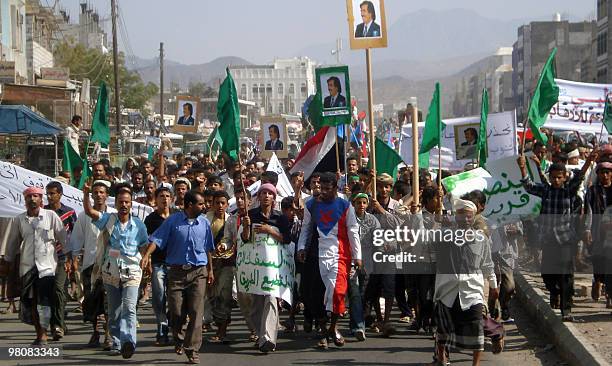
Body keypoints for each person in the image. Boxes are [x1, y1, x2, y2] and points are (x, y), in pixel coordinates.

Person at [517, 148, 597, 321]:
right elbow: (528, 186)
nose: (556, 180)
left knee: (566, 275)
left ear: (564, 177)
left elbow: (580, 177)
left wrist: (589, 161)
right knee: (547, 273)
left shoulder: (569, 191)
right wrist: (523, 168)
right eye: (553, 177)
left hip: (565, 239)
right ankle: (555, 292)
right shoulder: (545, 190)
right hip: (548, 239)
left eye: (559, 177)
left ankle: (566, 310)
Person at [141, 191, 215, 364]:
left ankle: (193, 349)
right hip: (176, 273)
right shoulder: (172, 222)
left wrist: (210, 271)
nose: (204, 206)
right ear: (189, 205)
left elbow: (208, 249)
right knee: (176, 312)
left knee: (196, 313)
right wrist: (147, 256)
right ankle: (178, 336)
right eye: (200, 203)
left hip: (198, 272)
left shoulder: (204, 223)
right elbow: (157, 240)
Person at [83, 183, 149, 359]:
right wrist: (86, 194)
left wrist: (146, 260)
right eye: (121, 202)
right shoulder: (108, 219)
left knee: (129, 307)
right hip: (111, 271)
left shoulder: (138, 225)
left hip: (132, 272)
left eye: (127, 202)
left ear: (131, 204)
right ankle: (117, 341)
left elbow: (143, 246)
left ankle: (129, 342)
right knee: (114, 312)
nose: (124, 205)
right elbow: (90, 212)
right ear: (116, 203)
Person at [297, 173, 361, 349]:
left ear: (335, 188)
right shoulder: (311, 205)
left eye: (327, 189)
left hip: (340, 256)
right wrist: (301, 247)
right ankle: (324, 331)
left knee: (338, 292)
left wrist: (358, 256)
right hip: (316, 256)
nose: (322, 192)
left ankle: (332, 328)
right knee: (317, 296)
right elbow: (306, 228)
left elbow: (353, 231)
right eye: (320, 188)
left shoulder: (345, 206)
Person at [431, 198, 498, 366]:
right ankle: (441, 359)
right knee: (442, 330)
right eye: (462, 215)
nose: (466, 219)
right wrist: (436, 220)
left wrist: (493, 285)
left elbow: (487, 263)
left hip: (472, 291)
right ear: (456, 216)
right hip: (447, 290)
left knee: (477, 329)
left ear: (474, 217)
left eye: (469, 216)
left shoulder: (481, 239)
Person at [4, 187, 67, 345]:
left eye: (35, 196)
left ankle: (44, 333)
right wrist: (7, 262)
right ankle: (40, 331)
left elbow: (63, 239)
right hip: (27, 267)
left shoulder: (50, 216)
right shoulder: (19, 220)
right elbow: (12, 243)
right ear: (25, 201)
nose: (32, 199)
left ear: (41, 200)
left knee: (44, 300)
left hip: (47, 267)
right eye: (29, 197)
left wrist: (70, 259)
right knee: (31, 301)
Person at [242, 183, 291, 353]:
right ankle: (260, 333)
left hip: (273, 267)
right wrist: (247, 226)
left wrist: (269, 230)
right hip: (255, 267)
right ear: (259, 197)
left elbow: (286, 239)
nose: (266, 196)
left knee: (271, 298)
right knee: (256, 303)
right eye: (263, 193)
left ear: (274, 197)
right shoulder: (250, 215)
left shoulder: (281, 218)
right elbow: (244, 240)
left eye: (269, 193)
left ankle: (267, 338)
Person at [71, 180, 116, 349]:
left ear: (107, 195)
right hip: (90, 264)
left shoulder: (114, 215)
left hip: (110, 265)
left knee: (108, 300)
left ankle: (108, 334)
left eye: (101, 192)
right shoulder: (84, 216)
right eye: (95, 192)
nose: (98, 195)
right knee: (90, 300)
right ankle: (95, 332)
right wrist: (74, 259)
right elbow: (77, 239)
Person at [44, 181, 78, 341]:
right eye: (48, 194)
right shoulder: (42, 212)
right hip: (45, 258)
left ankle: (58, 325)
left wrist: (73, 258)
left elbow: (75, 236)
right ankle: (58, 323)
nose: (49, 197)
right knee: (51, 292)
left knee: (58, 288)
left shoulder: (69, 213)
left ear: (60, 194)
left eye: (52, 193)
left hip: (63, 257)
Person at [143, 187, 175, 346]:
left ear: (172, 199)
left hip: (176, 264)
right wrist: (147, 259)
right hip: (158, 264)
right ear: (156, 199)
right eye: (161, 196)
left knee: (177, 301)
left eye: (168, 196)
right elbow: (146, 242)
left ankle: (170, 321)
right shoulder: (150, 219)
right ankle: (162, 331)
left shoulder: (177, 217)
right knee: (159, 297)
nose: (165, 199)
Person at [583, 161, 612, 308]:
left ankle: (609, 295)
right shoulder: (592, 191)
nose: (605, 175)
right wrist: (587, 230)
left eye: (607, 172)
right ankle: (597, 280)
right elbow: (588, 211)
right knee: (599, 261)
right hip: (597, 232)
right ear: (598, 174)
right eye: (602, 173)